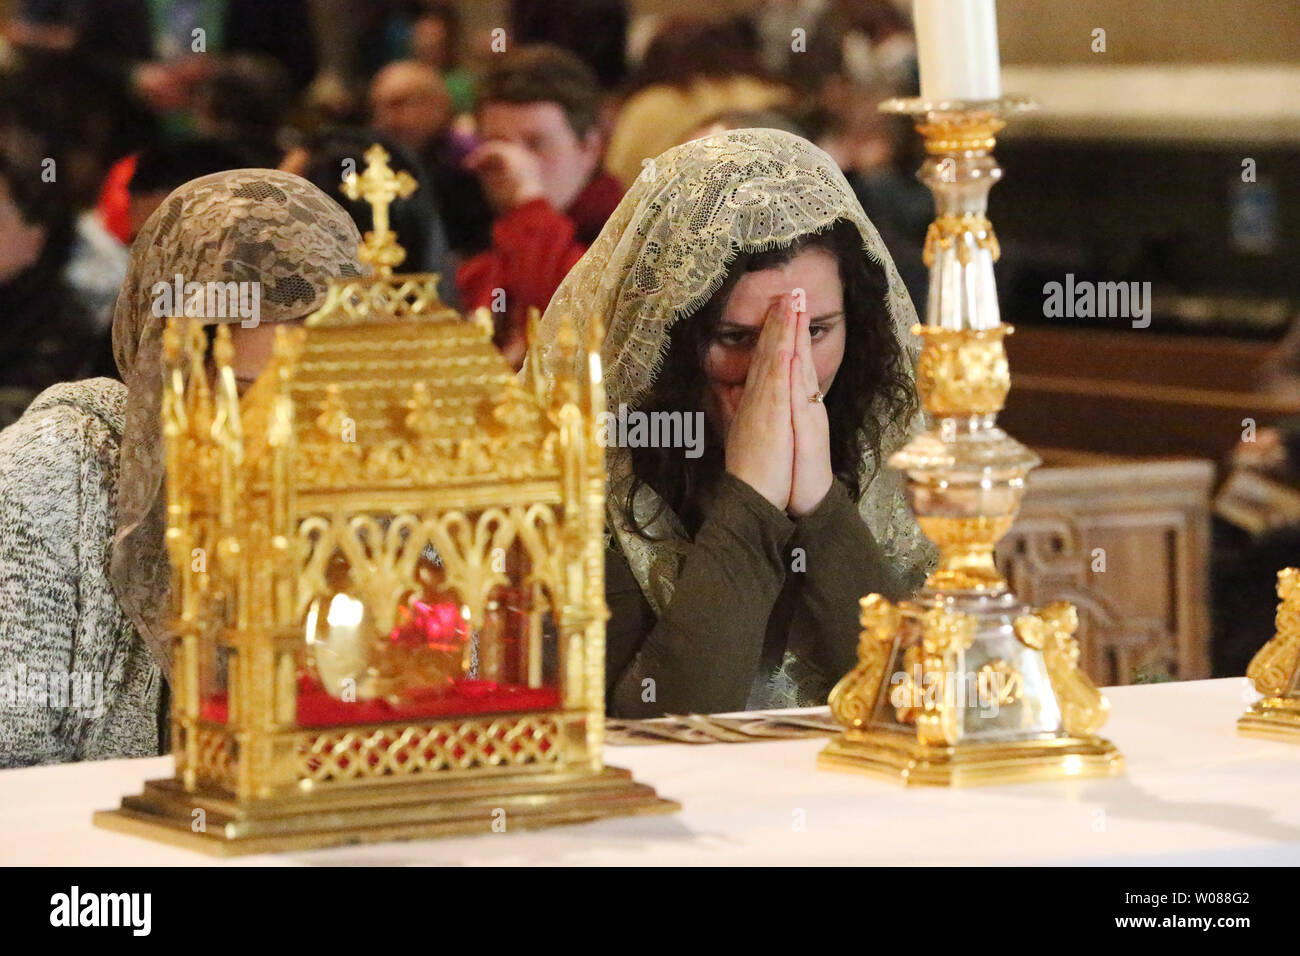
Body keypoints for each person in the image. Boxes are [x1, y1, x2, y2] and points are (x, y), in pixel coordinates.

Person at [527, 128, 937, 717]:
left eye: (815, 331)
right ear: (663, 339)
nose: (779, 369)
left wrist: (820, 502)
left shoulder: (893, 450)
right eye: (736, 339)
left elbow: (917, 705)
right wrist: (753, 500)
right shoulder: (588, 475)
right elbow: (659, 729)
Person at [0, 169, 362, 768]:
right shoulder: (50, 477)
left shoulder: (375, 467)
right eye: (237, 396)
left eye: (306, 399)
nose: (267, 435)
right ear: (158, 362)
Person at [457, 44, 624, 370]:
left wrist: (529, 205)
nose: (515, 164)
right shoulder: (482, 264)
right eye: (498, 145)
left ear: (590, 148)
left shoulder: (628, 238)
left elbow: (560, 319)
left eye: (536, 144)